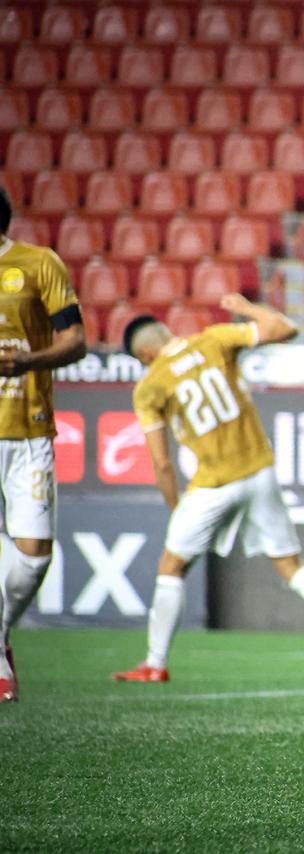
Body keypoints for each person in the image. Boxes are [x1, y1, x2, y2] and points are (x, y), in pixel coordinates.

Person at [110, 295, 304, 684]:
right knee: (291, 566)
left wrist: (175, 506)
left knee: (172, 565)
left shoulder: (150, 386)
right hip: (259, 470)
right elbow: (286, 329)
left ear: (146, 354)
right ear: (167, 332)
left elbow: (162, 462)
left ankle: (155, 662)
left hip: (214, 483)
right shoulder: (214, 340)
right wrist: (246, 307)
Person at [0, 187, 88, 703]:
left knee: (34, 556)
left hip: (28, 426)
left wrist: (27, 362)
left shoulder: (38, 264)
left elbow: (74, 341)